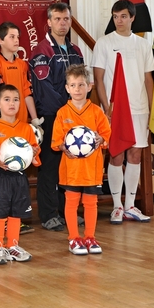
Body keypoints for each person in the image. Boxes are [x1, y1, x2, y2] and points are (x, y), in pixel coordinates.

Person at [92, 0, 154, 224]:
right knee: (117, 154)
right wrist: (106, 107)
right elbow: (98, 78)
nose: (119, 21)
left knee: (135, 154)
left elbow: (148, 79)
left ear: (132, 18)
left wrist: (152, 109)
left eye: (123, 16)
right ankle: (117, 206)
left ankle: (130, 206)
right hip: (115, 110)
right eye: (115, 17)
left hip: (139, 108)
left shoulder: (143, 45)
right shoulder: (103, 43)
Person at [28, 2, 84, 231]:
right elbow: (44, 89)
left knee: (69, 165)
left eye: (66, 19)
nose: (62, 23)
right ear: (49, 22)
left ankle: (67, 211)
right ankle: (49, 214)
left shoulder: (76, 50)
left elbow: (81, 83)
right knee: (50, 167)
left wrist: (77, 109)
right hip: (52, 116)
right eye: (58, 19)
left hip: (75, 116)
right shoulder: (42, 51)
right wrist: (66, 110)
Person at [51, 65, 111, 255]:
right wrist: (63, 147)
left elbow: (106, 136)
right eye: (73, 85)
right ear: (67, 88)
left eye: (81, 85)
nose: (77, 89)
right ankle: (74, 238)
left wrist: (101, 139)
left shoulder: (96, 112)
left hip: (92, 168)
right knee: (71, 202)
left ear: (89, 86)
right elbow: (56, 141)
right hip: (71, 170)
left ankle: (90, 237)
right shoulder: (62, 113)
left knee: (91, 202)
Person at [0, 85, 40, 265]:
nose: (12, 103)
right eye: (7, 99)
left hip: (20, 176)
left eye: (15, 99)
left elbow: (34, 151)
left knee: (17, 212)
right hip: (1, 177)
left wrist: (34, 152)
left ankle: (13, 245)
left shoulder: (26, 128)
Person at [0, 21, 41, 125]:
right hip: (3, 122)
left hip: (22, 120)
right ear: (0, 41)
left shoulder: (22, 64)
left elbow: (27, 92)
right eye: (12, 37)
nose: (16, 40)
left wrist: (34, 119)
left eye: (17, 37)